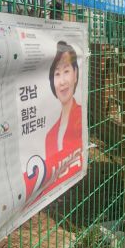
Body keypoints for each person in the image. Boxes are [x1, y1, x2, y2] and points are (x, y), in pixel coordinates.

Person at [44, 41, 83, 190]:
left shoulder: (81, 117)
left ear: (75, 74)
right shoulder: (49, 136)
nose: (62, 82)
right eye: (57, 74)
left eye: (66, 71)